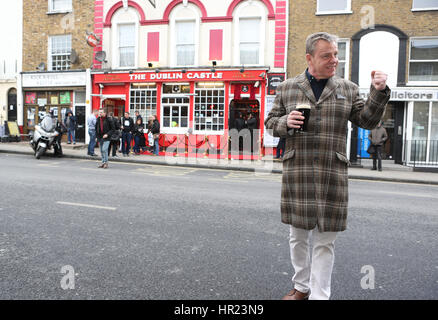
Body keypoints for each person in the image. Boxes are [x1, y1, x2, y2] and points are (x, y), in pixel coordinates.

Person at [264, 32, 390, 300]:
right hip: (298, 171)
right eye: (327, 55)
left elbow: (366, 120)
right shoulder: (287, 87)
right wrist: (286, 122)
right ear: (309, 57)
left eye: (336, 54)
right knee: (297, 236)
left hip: (332, 173)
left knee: (325, 241)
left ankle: (320, 295)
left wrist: (378, 93)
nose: (334, 60)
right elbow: (270, 123)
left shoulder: (348, 88)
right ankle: (301, 287)